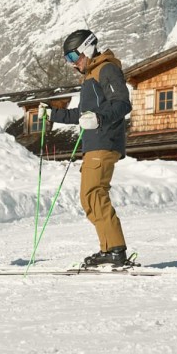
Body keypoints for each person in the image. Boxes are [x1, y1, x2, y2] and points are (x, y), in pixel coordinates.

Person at [38, 29, 134, 267]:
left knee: (93, 194)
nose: (72, 64)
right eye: (68, 60)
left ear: (87, 49)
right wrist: (52, 114)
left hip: (104, 142)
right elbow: (82, 115)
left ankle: (115, 250)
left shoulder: (107, 69)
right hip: (95, 144)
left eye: (73, 57)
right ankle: (109, 249)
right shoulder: (91, 77)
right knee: (90, 197)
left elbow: (122, 103)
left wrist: (99, 118)